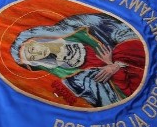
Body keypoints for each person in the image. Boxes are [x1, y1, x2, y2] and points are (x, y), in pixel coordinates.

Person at [12, 13, 146, 107]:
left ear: (36, 38)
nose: (38, 54)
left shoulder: (77, 25)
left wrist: (118, 61)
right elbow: (114, 101)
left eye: (31, 49)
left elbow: (124, 31)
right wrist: (114, 70)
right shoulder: (75, 82)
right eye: (33, 58)